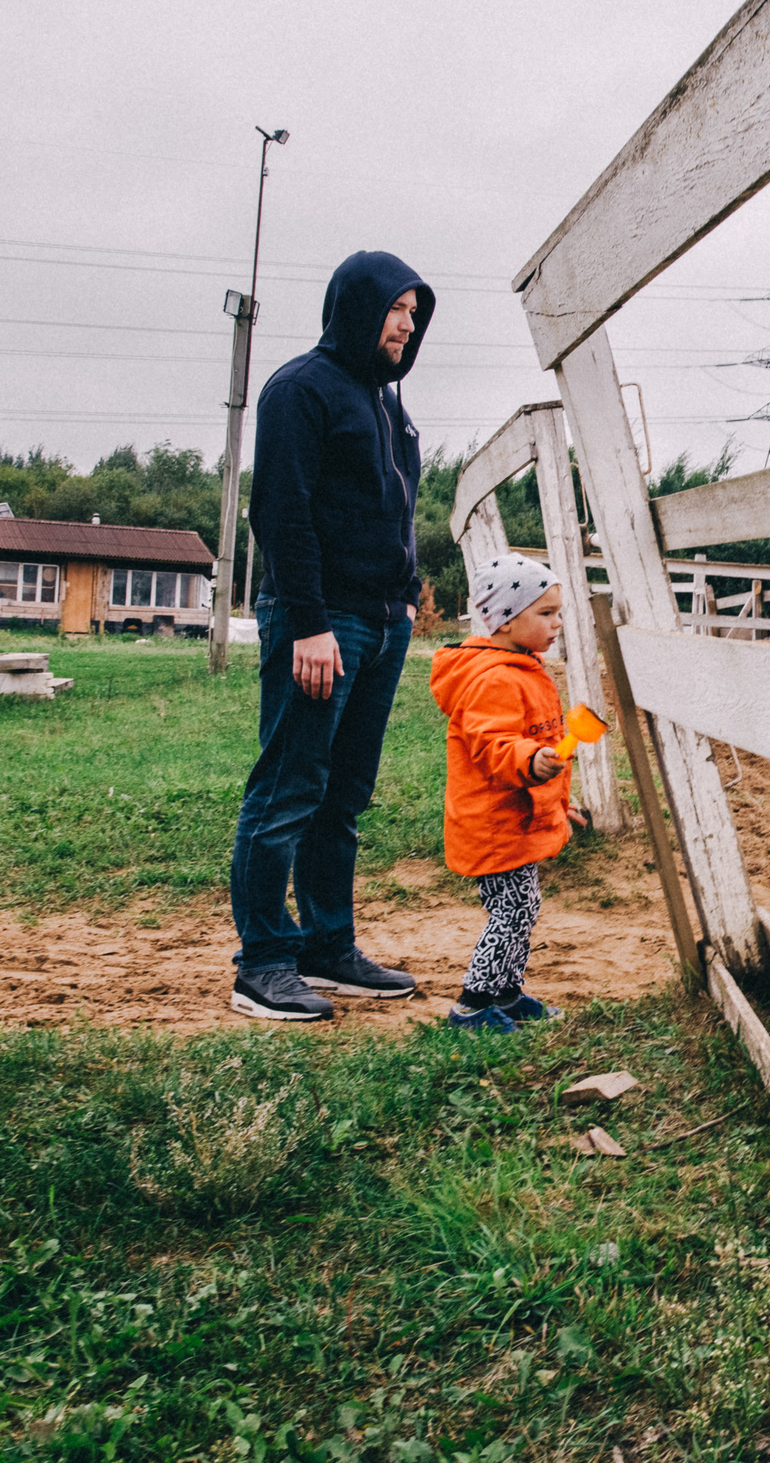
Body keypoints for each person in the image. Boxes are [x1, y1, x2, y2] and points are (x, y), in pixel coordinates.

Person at [227, 249, 431, 1022]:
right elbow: (281, 511)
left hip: (381, 624)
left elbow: (396, 511)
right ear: (357, 306)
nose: (407, 324)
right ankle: (263, 964)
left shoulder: (389, 405)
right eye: (396, 309)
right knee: (289, 789)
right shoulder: (300, 389)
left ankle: (327, 945)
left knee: (342, 796)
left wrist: (404, 599)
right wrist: (309, 624)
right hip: (319, 622)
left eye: (414, 313)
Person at [428, 554, 585, 1035]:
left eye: (558, 613)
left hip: (516, 819)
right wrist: (530, 761)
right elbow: (494, 743)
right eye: (546, 613)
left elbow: (538, 741)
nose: (557, 623)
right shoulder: (494, 678)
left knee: (522, 907)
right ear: (506, 620)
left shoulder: (524, 668)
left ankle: (507, 995)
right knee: (512, 910)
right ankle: (472, 1006)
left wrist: (560, 802)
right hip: (492, 824)